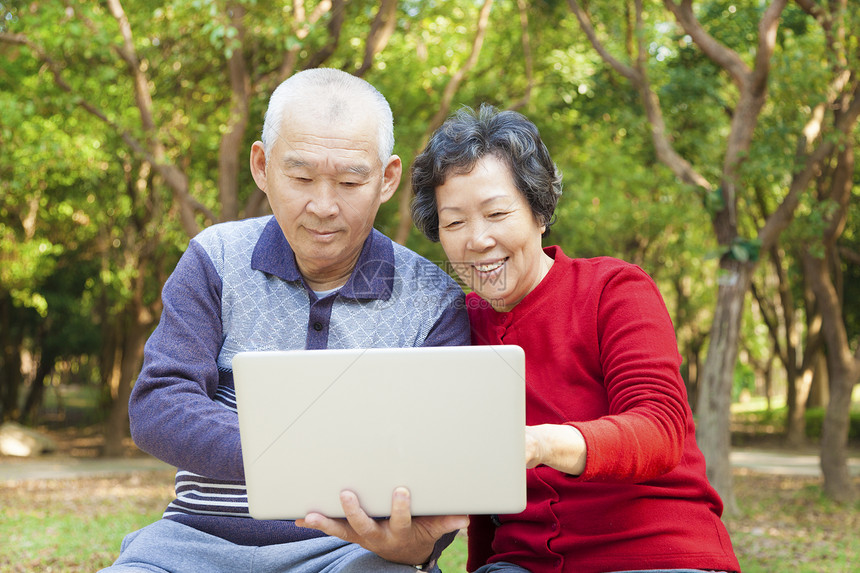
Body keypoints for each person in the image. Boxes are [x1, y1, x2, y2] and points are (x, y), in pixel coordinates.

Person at [100, 68, 470, 573]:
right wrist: (299, 451)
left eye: (349, 180)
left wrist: (416, 547)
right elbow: (159, 403)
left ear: (386, 179)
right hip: (194, 543)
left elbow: (439, 461)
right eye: (299, 177)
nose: (323, 206)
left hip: (352, 554)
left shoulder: (435, 299)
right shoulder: (216, 259)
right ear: (261, 165)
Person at [410, 104, 741, 573]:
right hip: (522, 564)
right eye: (455, 222)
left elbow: (660, 427)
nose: (477, 239)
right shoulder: (457, 326)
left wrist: (540, 444)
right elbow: (481, 497)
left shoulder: (614, 289)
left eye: (497, 212)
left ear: (540, 212)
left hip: (654, 552)